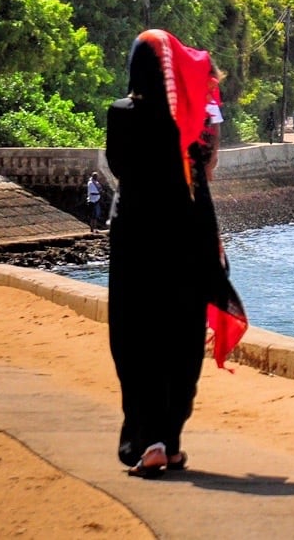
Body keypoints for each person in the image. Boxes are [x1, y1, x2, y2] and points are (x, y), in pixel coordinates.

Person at [106, 29, 247, 478]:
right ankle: (170, 440)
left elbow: (119, 168)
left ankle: (148, 440)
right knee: (181, 339)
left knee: (137, 337)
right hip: (188, 239)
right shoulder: (189, 122)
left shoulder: (121, 114)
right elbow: (206, 171)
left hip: (136, 242)